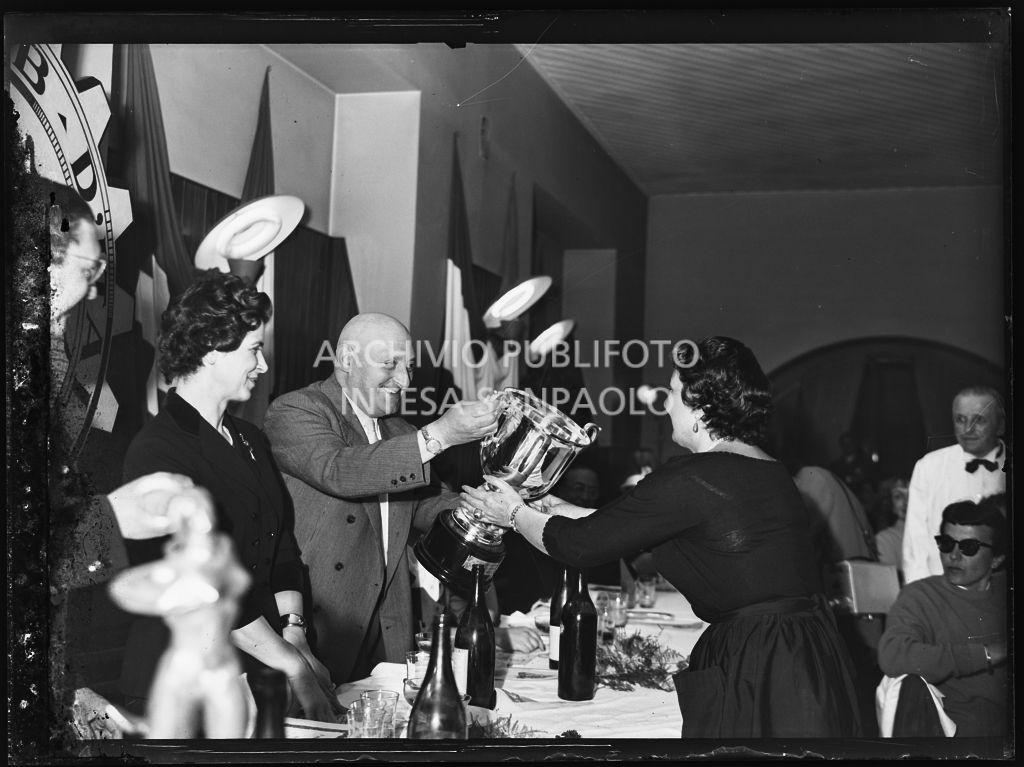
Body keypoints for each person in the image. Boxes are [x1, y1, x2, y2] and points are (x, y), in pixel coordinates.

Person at [461, 336, 862, 738]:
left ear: (700, 408)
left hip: (762, 661)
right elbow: (622, 521)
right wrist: (544, 505)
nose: (665, 404)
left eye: (672, 393)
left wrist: (513, 514)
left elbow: (578, 546)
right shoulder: (762, 469)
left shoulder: (693, 476)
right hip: (806, 650)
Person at [119, 270, 340, 723]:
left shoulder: (251, 439)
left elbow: (281, 548)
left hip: (259, 662)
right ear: (211, 351)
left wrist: (295, 635)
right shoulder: (158, 449)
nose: (262, 366)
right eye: (254, 351)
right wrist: (290, 661)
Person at [38, 176, 209, 738]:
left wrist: (63, 689)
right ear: (32, 263)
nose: (92, 294)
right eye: (87, 272)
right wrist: (113, 519)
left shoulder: (52, 375)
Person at [263, 312, 503, 684]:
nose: (404, 381)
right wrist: (439, 434)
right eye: (389, 364)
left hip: (388, 622)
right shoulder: (297, 409)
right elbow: (339, 470)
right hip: (318, 621)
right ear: (345, 360)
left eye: (408, 367)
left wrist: (495, 504)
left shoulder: (399, 430)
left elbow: (428, 505)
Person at [877, 497, 1009, 737]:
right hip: (962, 738)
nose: (954, 556)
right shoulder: (919, 596)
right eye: (946, 543)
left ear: (997, 559)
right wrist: (988, 653)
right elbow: (893, 655)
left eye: (968, 547)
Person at [903, 387, 1006, 584]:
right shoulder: (929, 466)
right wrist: (922, 597)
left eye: (979, 420)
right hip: (943, 589)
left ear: (1000, 425)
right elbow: (914, 544)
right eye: (960, 419)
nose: (968, 429)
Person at [874, 477, 909, 575]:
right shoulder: (884, 540)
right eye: (898, 496)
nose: (906, 502)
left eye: (912, 494)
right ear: (890, 503)